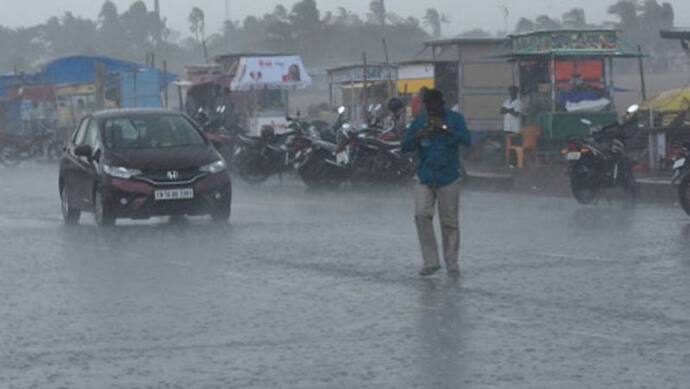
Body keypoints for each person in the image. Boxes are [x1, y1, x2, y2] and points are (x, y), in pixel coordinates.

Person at [402, 89, 472, 277]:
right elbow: (405, 145)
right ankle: (431, 262)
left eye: (435, 106)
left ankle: (452, 263)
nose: (432, 110)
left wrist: (444, 128)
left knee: (449, 222)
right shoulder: (419, 121)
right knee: (421, 216)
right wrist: (418, 135)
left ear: (442, 104)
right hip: (425, 176)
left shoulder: (455, 119)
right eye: (428, 106)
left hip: (448, 177)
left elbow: (467, 140)